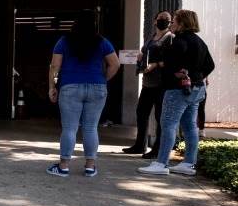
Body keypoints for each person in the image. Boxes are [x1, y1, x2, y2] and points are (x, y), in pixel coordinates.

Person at [138, 10, 214, 176]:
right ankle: (188, 163)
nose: (171, 24)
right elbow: (210, 65)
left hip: (177, 89)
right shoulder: (199, 42)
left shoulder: (179, 42)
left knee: (168, 125)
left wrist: (176, 73)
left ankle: (161, 163)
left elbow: (170, 64)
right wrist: (196, 75)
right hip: (197, 88)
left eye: (174, 22)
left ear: (182, 23)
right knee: (190, 126)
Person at [46, 11, 120, 177]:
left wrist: (53, 86)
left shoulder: (64, 41)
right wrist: (103, 79)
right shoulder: (102, 42)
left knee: (69, 128)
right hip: (97, 87)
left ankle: (63, 166)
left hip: (70, 87)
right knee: (91, 128)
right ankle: (90, 166)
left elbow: (55, 67)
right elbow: (115, 64)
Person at [122, 11, 174, 158]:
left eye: (167, 19)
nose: (163, 20)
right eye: (161, 18)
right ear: (154, 20)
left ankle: (157, 149)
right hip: (148, 82)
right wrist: (141, 57)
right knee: (141, 113)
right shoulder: (152, 37)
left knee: (159, 117)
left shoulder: (170, 38)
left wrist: (155, 65)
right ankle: (140, 145)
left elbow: (170, 61)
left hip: (161, 84)